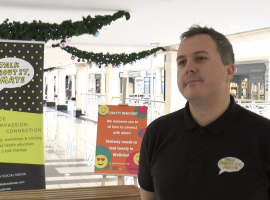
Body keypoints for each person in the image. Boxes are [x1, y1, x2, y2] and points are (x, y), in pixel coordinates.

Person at [138, 25, 270, 200]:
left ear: (229, 71)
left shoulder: (263, 135)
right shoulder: (157, 132)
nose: (189, 68)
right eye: (182, 62)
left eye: (200, 58)